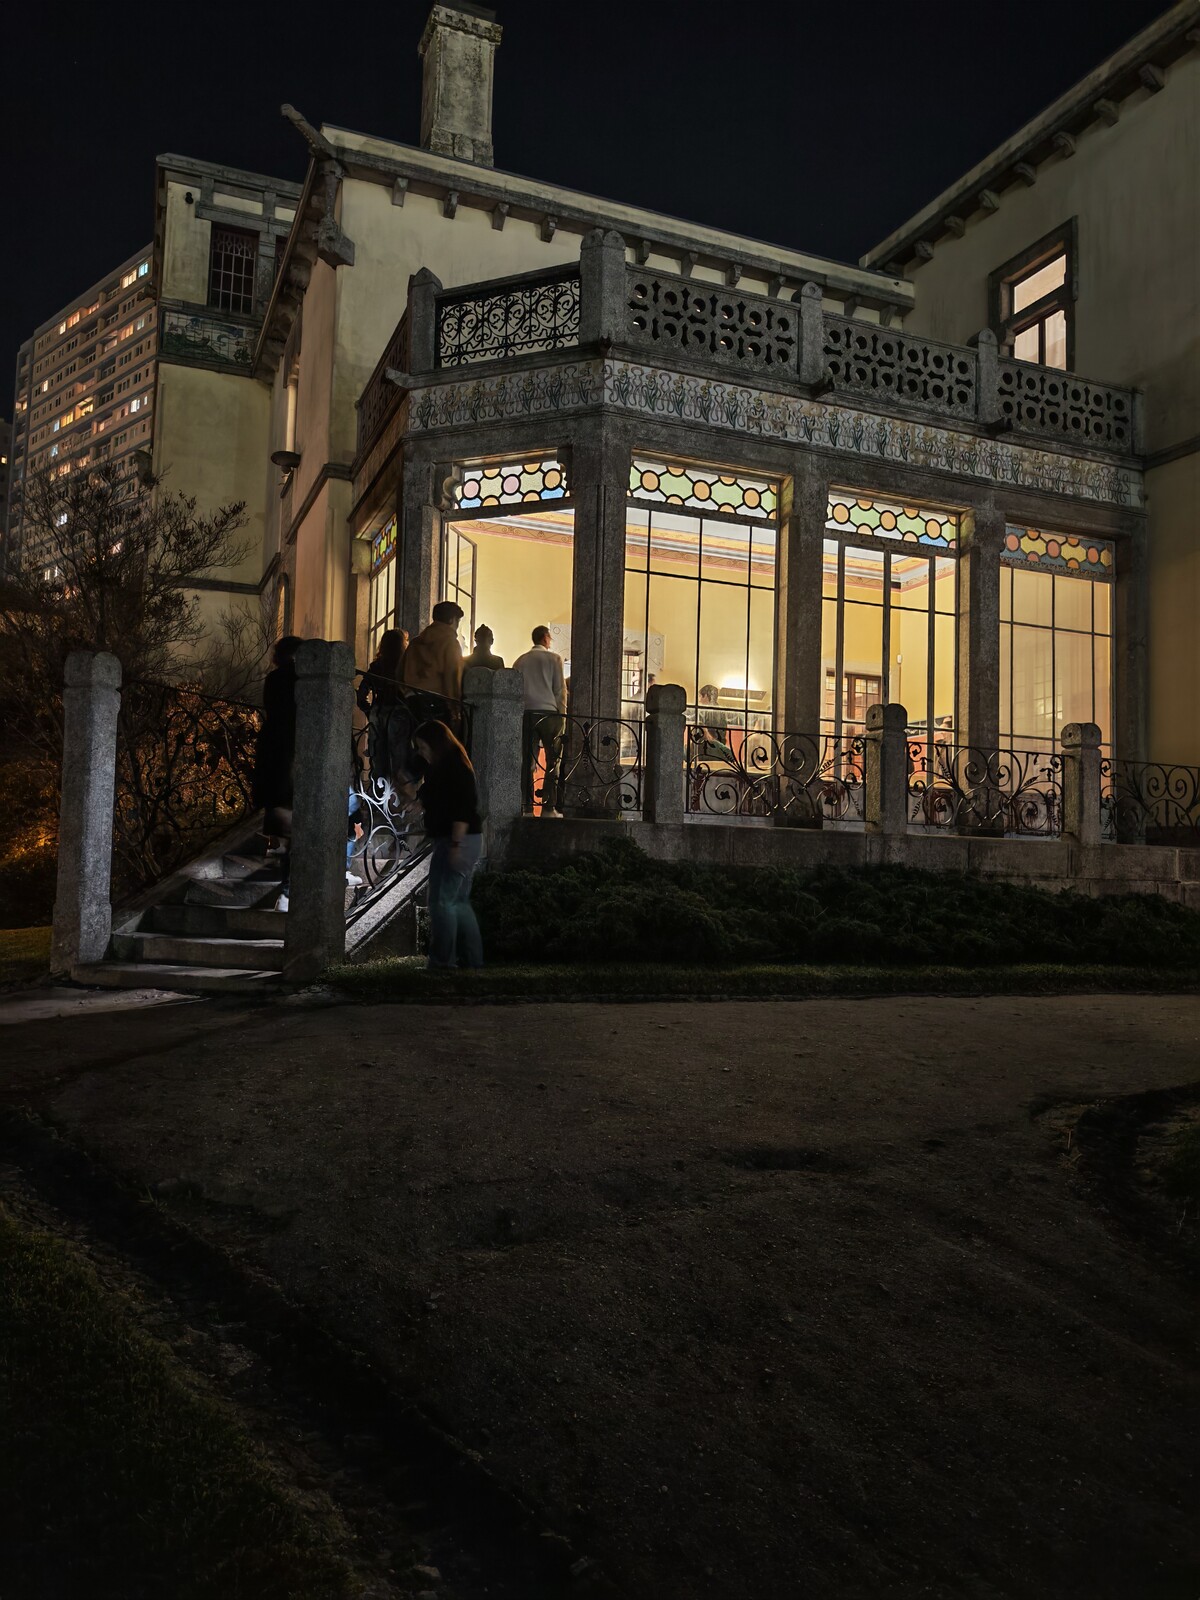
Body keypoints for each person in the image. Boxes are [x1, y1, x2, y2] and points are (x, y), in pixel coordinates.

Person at [412, 719, 484, 971]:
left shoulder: (455, 768)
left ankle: (442, 961)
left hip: (457, 839)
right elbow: (432, 794)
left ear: (436, 744)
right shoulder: (444, 766)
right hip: (460, 839)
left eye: (423, 747)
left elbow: (462, 808)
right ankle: (472, 959)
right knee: (458, 901)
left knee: (441, 901)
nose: (421, 752)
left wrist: (456, 844)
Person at [252, 635, 302, 907]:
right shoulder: (300, 680)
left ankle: (287, 889)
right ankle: (288, 890)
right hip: (291, 759)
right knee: (296, 832)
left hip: (274, 756)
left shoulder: (273, 679)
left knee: (287, 834)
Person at [357, 627, 416, 804]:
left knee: (378, 758)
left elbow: (361, 693)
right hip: (399, 713)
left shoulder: (377, 666)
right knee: (399, 758)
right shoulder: (406, 666)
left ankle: (378, 799)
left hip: (378, 713)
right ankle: (399, 801)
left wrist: (369, 710)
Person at [513, 625, 567, 817]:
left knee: (527, 761)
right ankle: (548, 808)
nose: (550, 641)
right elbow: (559, 690)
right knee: (553, 761)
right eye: (550, 638)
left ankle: (526, 807)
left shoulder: (520, 661)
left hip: (527, 713)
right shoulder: (554, 659)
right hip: (549, 714)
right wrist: (562, 715)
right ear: (545, 637)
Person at [403, 601, 464, 727]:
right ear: (452, 620)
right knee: (439, 737)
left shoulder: (415, 642)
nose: (457, 627)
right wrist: (455, 709)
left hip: (411, 701)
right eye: (457, 621)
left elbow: (400, 672)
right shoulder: (450, 643)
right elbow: (452, 676)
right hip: (437, 702)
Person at [696, 684, 735, 763]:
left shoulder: (707, 711)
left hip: (708, 748)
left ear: (705, 695)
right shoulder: (721, 711)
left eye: (700, 696)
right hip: (718, 748)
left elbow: (706, 733)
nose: (699, 700)